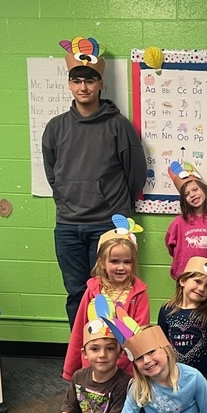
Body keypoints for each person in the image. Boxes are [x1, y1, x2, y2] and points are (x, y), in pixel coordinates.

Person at [42, 35, 147, 328]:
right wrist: (65, 194)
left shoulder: (118, 126)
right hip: (67, 225)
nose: (83, 87)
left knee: (108, 290)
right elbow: (52, 172)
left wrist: (115, 206)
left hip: (106, 224)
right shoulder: (56, 127)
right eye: (77, 81)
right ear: (70, 84)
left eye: (90, 80)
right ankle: (82, 351)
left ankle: (109, 351)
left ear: (100, 84)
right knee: (76, 292)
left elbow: (135, 172)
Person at [62, 218, 149, 381]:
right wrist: (70, 369)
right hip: (94, 364)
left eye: (127, 262)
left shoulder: (139, 293)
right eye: (114, 261)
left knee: (120, 403)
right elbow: (80, 329)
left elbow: (138, 334)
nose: (121, 267)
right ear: (102, 263)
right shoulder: (93, 290)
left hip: (125, 368)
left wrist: (123, 361)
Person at [157, 238, 207, 406]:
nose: (202, 288)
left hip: (200, 377)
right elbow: (161, 343)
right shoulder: (167, 309)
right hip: (173, 375)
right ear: (183, 281)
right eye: (197, 281)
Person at [164, 160, 207, 281]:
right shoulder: (178, 223)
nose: (192, 195)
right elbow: (171, 247)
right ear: (183, 200)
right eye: (186, 194)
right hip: (184, 278)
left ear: (204, 190)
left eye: (195, 189)